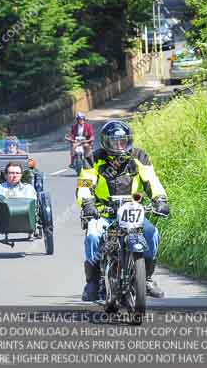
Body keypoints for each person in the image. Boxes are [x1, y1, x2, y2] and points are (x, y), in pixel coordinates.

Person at [76, 120, 170, 301]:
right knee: (93, 236)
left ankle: (147, 278)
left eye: (123, 141)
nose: (120, 145)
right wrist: (88, 203)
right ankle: (93, 281)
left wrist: (160, 200)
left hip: (131, 211)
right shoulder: (92, 159)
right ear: (105, 142)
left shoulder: (139, 156)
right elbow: (84, 184)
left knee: (151, 232)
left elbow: (152, 180)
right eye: (115, 141)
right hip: (103, 212)